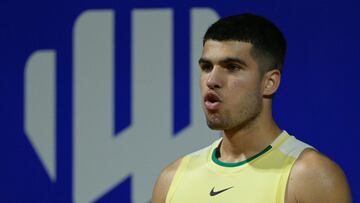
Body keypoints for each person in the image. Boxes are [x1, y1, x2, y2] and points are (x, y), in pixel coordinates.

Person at [152, 13, 352, 203]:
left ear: (269, 83)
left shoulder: (310, 177)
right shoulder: (172, 179)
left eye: (232, 67)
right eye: (206, 67)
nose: (212, 80)